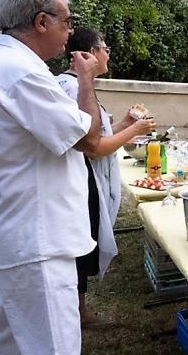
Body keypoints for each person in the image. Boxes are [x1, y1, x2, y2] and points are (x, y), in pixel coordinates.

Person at [0, 0, 102, 354]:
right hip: (37, 242)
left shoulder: (7, 65)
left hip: (16, 235)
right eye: (66, 22)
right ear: (42, 22)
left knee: (10, 343)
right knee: (53, 346)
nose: (69, 32)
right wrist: (86, 81)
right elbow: (88, 139)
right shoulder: (22, 73)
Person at [56, 27, 156, 326]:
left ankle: (79, 309)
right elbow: (94, 148)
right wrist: (135, 130)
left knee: (86, 243)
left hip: (86, 177)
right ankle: (79, 313)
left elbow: (97, 132)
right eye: (105, 47)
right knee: (82, 246)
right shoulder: (71, 88)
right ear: (88, 53)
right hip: (80, 178)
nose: (108, 53)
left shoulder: (78, 86)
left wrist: (125, 122)